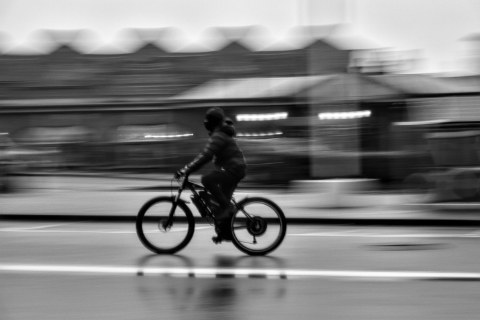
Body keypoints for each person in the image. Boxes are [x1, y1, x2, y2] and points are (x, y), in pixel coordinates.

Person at [175, 107, 247, 241]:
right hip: (234, 169)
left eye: (206, 121)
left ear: (211, 123)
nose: (205, 123)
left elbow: (206, 156)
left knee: (207, 180)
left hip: (233, 169)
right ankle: (225, 233)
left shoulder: (219, 135)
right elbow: (208, 155)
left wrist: (186, 170)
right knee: (220, 206)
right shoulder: (219, 134)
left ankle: (228, 208)